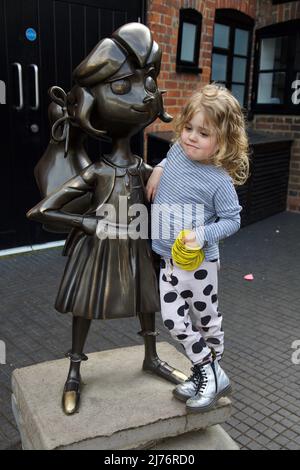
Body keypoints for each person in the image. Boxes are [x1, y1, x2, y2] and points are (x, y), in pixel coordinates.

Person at [27, 23, 187, 416]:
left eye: (147, 82)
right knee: (85, 306)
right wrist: (87, 224)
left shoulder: (142, 167)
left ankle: (151, 356)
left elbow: (181, 188)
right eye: (120, 87)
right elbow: (42, 210)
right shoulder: (97, 173)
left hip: (137, 244)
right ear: (88, 103)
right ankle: (75, 370)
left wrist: (165, 169)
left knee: (147, 299)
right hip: (99, 248)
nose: (143, 96)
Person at [146, 84, 249, 412]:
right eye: (188, 127)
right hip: (167, 259)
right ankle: (209, 371)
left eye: (203, 133)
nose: (190, 137)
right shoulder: (177, 151)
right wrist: (159, 170)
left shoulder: (218, 180)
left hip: (198, 265)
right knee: (174, 322)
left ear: (224, 140)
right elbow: (168, 157)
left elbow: (232, 220)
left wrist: (202, 234)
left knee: (206, 322)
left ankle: (208, 372)